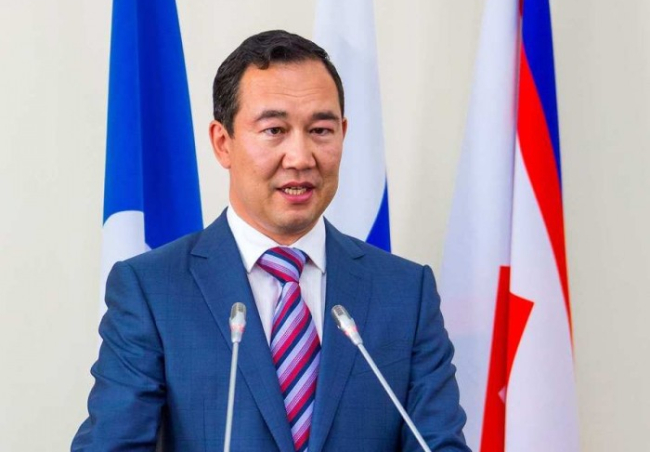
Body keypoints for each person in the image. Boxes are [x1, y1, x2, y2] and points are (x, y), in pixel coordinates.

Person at [72, 30, 469, 452]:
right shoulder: (152, 289)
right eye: (274, 130)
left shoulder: (406, 292)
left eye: (320, 130)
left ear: (343, 133)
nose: (300, 157)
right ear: (223, 143)